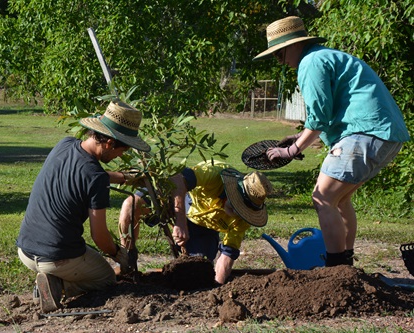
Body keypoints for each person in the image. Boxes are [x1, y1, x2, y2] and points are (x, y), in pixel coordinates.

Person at [253, 16, 410, 267]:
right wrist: (299, 137)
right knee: (339, 200)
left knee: (323, 198)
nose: (278, 59)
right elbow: (328, 117)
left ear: (293, 44)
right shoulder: (324, 57)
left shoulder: (310, 63)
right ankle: (345, 263)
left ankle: (336, 269)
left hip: (366, 133)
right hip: (384, 134)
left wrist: (292, 150)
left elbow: (319, 117)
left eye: (278, 52)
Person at [16, 99, 151, 313]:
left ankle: (50, 280)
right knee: (106, 278)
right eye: (122, 150)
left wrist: (123, 177)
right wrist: (119, 253)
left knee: (85, 260)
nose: (121, 155)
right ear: (109, 143)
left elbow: (85, 176)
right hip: (55, 257)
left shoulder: (65, 144)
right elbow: (99, 236)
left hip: (25, 250)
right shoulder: (95, 178)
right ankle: (58, 286)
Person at [118, 161, 273, 284]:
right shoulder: (215, 173)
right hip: (176, 199)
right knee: (131, 205)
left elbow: (228, 253)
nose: (237, 212)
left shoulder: (242, 220)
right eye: (236, 205)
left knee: (197, 271)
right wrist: (180, 222)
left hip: (202, 228)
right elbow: (177, 179)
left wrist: (216, 286)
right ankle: (128, 266)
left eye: (242, 210)